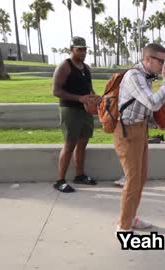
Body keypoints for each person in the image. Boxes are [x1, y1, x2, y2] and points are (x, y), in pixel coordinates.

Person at [115, 43, 165, 232]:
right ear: (147, 59)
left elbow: (145, 107)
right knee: (132, 180)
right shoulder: (134, 76)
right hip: (127, 132)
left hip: (139, 129)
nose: (163, 66)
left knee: (140, 179)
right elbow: (153, 103)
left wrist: (154, 122)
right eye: (161, 61)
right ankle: (123, 227)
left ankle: (131, 218)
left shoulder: (146, 77)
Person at [52, 36, 100, 193]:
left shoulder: (86, 68)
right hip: (70, 110)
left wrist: (96, 97)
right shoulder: (65, 66)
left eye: (85, 49)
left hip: (85, 110)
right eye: (79, 49)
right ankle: (60, 181)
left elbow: (89, 89)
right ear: (71, 49)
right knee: (69, 145)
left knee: (83, 144)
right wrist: (79, 98)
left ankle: (79, 175)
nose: (83, 52)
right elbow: (56, 91)